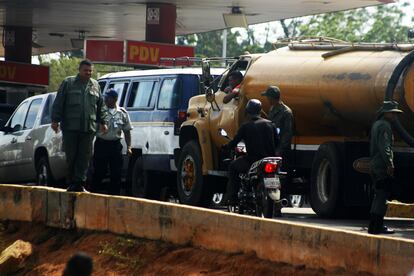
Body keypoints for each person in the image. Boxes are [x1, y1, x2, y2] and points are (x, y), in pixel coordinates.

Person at [52, 59, 108, 192]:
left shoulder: (95, 85)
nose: (88, 73)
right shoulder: (68, 83)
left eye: (90, 71)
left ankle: (79, 183)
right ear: (79, 70)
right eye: (86, 70)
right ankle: (71, 182)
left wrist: (103, 122)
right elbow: (59, 102)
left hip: (88, 128)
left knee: (84, 157)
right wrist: (55, 120)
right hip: (71, 127)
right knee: (71, 156)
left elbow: (101, 106)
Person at [223, 99, 276, 204]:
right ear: (260, 111)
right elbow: (277, 142)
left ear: (247, 112)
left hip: (252, 160)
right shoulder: (270, 124)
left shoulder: (245, 126)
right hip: (269, 160)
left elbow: (234, 142)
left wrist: (226, 146)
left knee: (233, 167)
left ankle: (232, 197)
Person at [368, 100, 402, 235]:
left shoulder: (376, 124)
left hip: (375, 164)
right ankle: (377, 226)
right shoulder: (384, 126)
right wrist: (390, 163)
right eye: (393, 113)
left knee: (378, 196)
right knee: (382, 197)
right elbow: (385, 147)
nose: (395, 116)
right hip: (381, 165)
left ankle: (373, 226)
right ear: (386, 113)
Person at [91, 89, 132, 195]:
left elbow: (127, 131)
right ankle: (95, 193)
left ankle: (114, 196)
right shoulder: (100, 112)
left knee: (116, 173)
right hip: (101, 144)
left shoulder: (122, 113)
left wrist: (129, 146)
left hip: (115, 145)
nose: (105, 99)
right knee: (99, 171)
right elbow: (92, 130)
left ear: (114, 99)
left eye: (108, 98)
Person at [261, 86, 293, 157]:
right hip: (273, 147)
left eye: (267, 97)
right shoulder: (272, 108)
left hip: (282, 152)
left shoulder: (286, 112)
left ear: (271, 97)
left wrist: (279, 150)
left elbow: (287, 134)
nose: (266, 99)